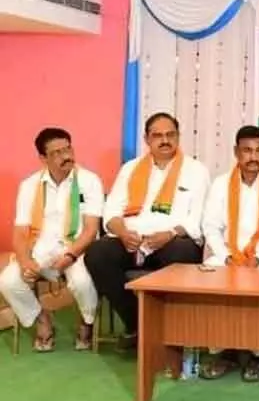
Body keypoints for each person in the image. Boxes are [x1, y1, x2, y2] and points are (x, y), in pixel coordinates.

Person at [84, 113, 211, 351]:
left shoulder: (196, 171)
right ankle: (138, 324)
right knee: (98, 253)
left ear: (178, 136)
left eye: (170, 135)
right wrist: (122, 232)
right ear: (147, 139)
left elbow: (198, 219)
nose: (165, 140)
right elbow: (111, 211)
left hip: (172, 241)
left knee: (182, 252)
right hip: (132, 239)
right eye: (158, 135)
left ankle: (171, 329)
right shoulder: (130, 169)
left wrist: (171, 233)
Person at [198, 125, 259, 382]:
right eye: (247, 151)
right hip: (227, 255)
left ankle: (258, 354)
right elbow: (211, 226)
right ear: (236, 153)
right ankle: (223, 351)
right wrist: (227, 256)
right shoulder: (220, 184)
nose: (253, 157)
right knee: (212, 277)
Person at [0, 128, 104, 352]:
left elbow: (91, 229)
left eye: (68, 148)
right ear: (43, 158)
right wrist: (25, 261)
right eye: (57, 152)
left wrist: (70, 255)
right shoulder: (30, 185)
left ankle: (87, 322)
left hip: (78, 250)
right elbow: (20, 231)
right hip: (40, 250)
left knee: (83, 283)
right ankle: (42, 319)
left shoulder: (89, 181)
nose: (66, 156)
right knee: (8, 281)